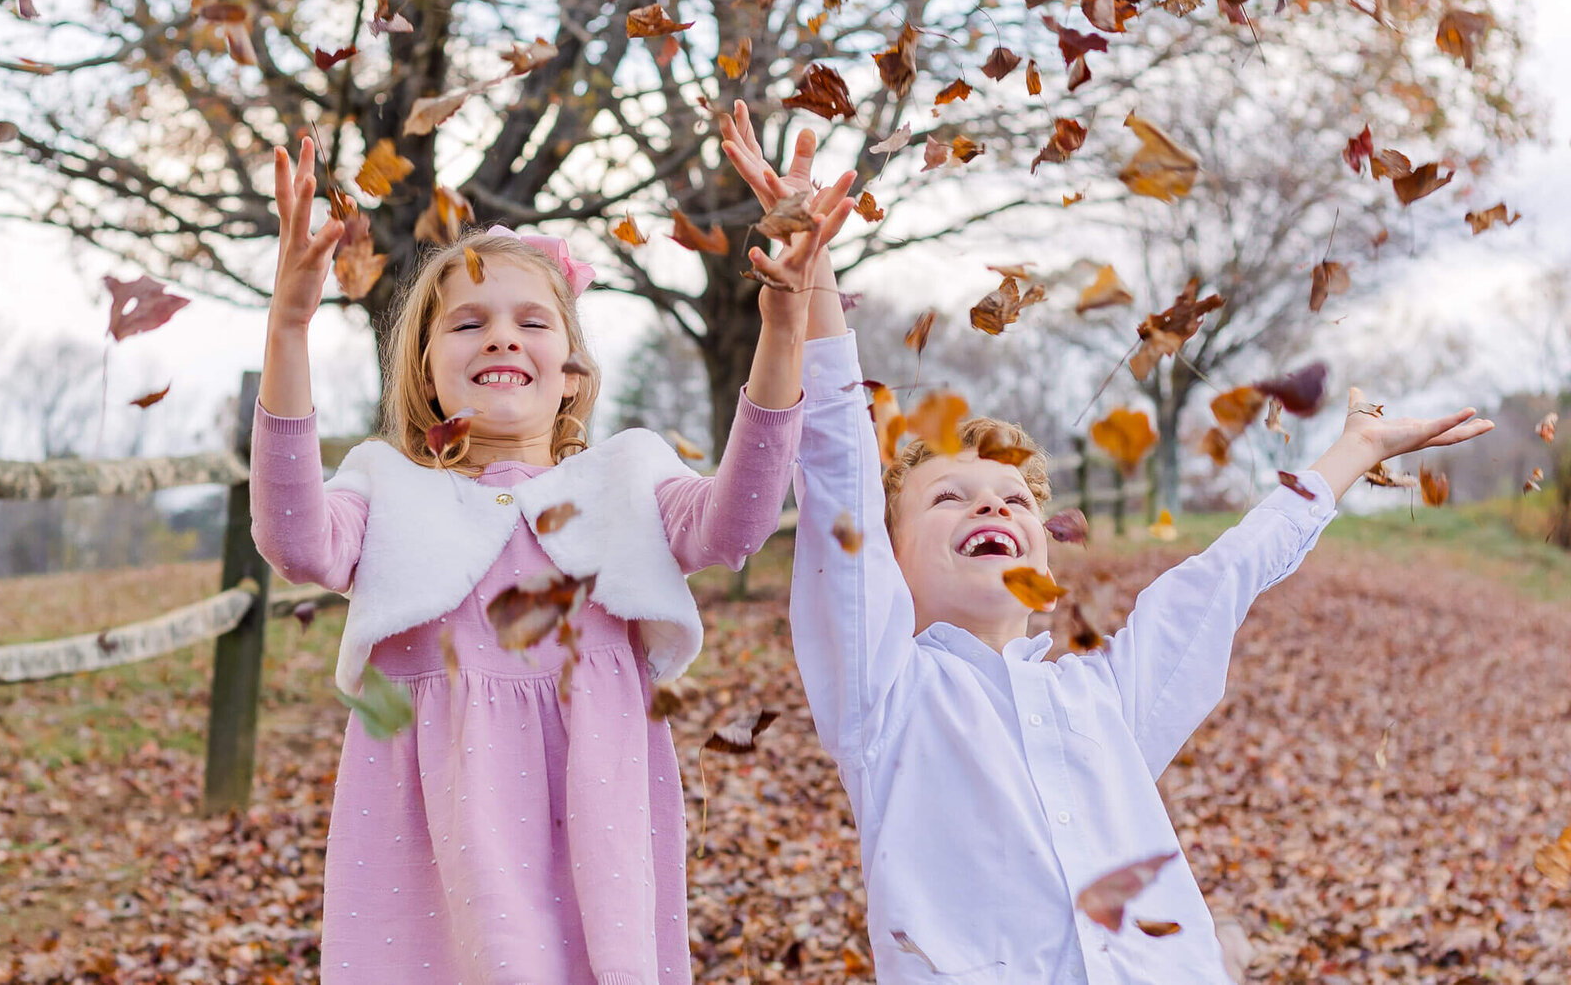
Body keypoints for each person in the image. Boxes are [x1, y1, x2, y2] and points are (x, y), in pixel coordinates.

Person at [719, 102, 1495, 983]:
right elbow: (838, 480)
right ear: (891, 567)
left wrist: (1354, 452)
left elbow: (1225, 575)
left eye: (1015, 499)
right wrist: (814, 278)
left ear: (1043, 559)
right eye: (950, 498)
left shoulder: (1110, 696)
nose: (994, 508)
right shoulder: (885, 695)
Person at [248, 136, 851, 984]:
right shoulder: (386, 486)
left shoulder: (626, 475)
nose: (502, 338)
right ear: (424, 371)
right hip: (438, 815)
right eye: (468, 323)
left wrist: (783, 332)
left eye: (532, 322)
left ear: (570, 372)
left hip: (595, 809)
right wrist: (289, 330)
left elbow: (737, 524)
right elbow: (294, 538)